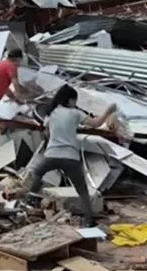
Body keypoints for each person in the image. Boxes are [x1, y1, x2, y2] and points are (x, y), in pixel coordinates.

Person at [23, 84, 117, 227]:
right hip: (70, 157)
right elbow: (96, 124)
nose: (75, 103)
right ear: (69, 100)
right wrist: (108, 112)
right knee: (82, 190)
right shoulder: (76, 113)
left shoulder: (51, 113)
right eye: (75, 100)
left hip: (51, 155)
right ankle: (88, 219)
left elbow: (46, 133)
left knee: (37, 172)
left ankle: (31, 200)